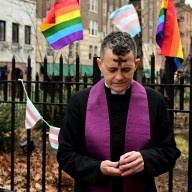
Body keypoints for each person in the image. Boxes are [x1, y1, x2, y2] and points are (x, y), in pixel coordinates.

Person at [57, 31, 181, 192]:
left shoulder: (154, 101)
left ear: (136, 65)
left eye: (126, 69)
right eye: (112, 69)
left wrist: (146, 159)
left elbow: (169, 151)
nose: (119, 77)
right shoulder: (80, 102)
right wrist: (97, 168)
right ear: (100, 65)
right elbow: (65, 154)